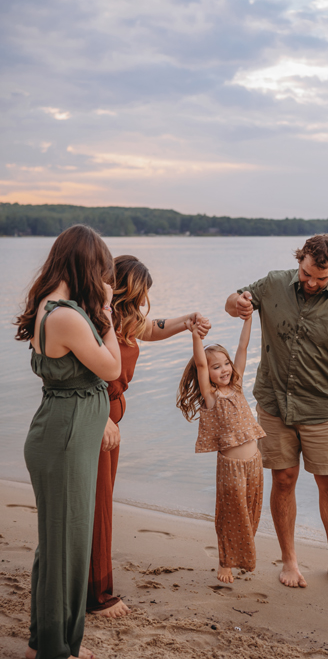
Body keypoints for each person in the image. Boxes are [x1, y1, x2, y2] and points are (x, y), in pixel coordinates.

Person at [225, 234, 328, 590]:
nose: (313, 282)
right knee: (283, 480)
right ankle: (289, 560)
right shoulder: (273, 283)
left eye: (322, 277)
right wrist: (237, 303)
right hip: (274, 404)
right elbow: (233, 301)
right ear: (300, 259)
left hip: (322, 410)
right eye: (307, 274)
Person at [15, 224, 121, 659]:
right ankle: (57, 651)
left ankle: (47, 641)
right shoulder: (67, 316)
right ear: (86, 267)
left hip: (62, 433)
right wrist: (108, 317)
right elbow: (112, 369)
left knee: (58, 544)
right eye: (102, 272)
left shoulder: (53, 307)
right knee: (66, 547)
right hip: (64, 438)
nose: (105, 283)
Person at [87, 254, 211, 618]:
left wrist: (187, 321)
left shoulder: (122, 320)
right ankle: (97, 597)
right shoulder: (98, 320)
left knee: (101, 504)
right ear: (128, 288)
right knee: (97, 508)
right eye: (142, 294)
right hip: (96, 423)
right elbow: (83, 374)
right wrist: (99, 419)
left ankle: (92, 585)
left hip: (109, 425)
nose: (145, 302)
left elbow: (152, 328)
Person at [176, 313, 266, 584]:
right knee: (230, 513)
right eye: (218, 367)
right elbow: (201, 365)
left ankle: (242, 554)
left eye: (226, 363)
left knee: (250, 512)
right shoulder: (211, 397)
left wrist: (248, 319)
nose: (225, 369)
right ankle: (225, 561)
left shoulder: (237, 387)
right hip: (231, 467)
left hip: (254, 463)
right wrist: (195, 336)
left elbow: (242, 347)